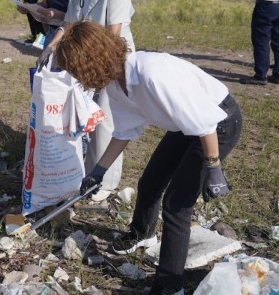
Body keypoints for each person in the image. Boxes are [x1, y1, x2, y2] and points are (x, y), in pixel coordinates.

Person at [56, 22, 242, 295]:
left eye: (75, 69)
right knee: (150, 183)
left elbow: (205, 123)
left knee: (177, 206)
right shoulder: (116, 85)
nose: (75, 76)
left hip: (217, 124)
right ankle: (142, 234)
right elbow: (124, 132)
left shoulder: (151, 74)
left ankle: (170, 285)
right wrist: (98, 170)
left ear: (89, 62)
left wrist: (213, 168)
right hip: (185, 126)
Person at [37, 0, 135, 200]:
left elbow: (113, 37)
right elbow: (69, 22)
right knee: (82, 116)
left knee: (106, 119)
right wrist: (51, 48)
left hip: (112, 60)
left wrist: (92, 70)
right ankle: (86, 172)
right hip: (86, 59)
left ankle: (103, 183)